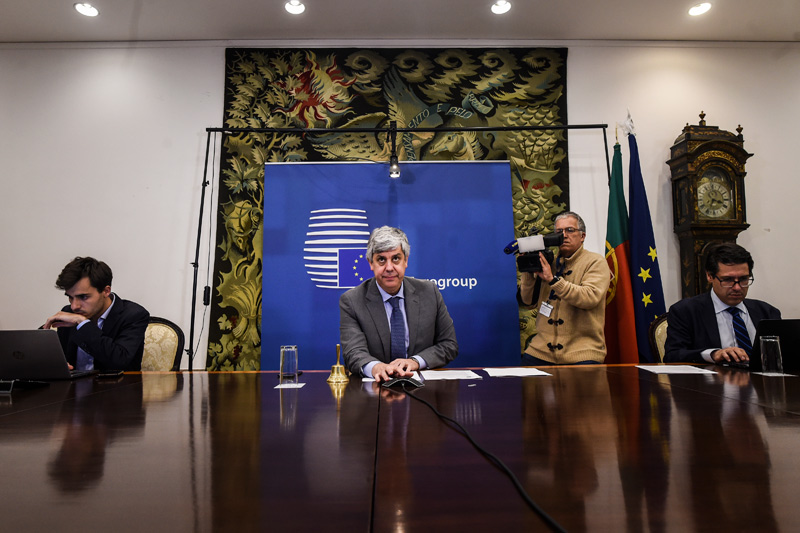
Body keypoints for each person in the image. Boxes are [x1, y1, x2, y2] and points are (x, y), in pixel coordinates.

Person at [339, 226, 458, 382]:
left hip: (423, 388)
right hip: (375, 388)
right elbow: (353, 353)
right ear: (371, 263)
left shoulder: (429, 292)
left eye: (396, 258)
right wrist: (376, 367)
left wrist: (415, 362)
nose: (389, 268)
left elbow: (449, 344)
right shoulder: (352, 301)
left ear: (406, 260)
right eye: (381, 259)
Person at [664, 242, 781, 365]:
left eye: (743, 279)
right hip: (713, 377)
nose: (737, 287)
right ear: (710, 276)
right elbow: (673, 356)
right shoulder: (686, 311)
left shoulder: (767, 312)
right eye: (728, 280)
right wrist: (713, 354)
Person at [518, 211, 610, 365]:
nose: (564, 235)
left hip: (582, 353)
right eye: (559, 231)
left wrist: (552, 280)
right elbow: (528, 302)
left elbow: (589, 298)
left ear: (582, 236)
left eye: (570, 230)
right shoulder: (549, 262)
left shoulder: (595, 262)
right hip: (540, 351)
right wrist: (528, 270)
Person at [43, 257, 150, 371]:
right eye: (70, 297)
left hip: (118, 382)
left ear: (106, 291)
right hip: (74, 382)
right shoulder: (69, 312)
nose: (74, 306)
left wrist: (83, 323)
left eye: (83, 297)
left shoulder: (133, 315)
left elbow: (120, 361)